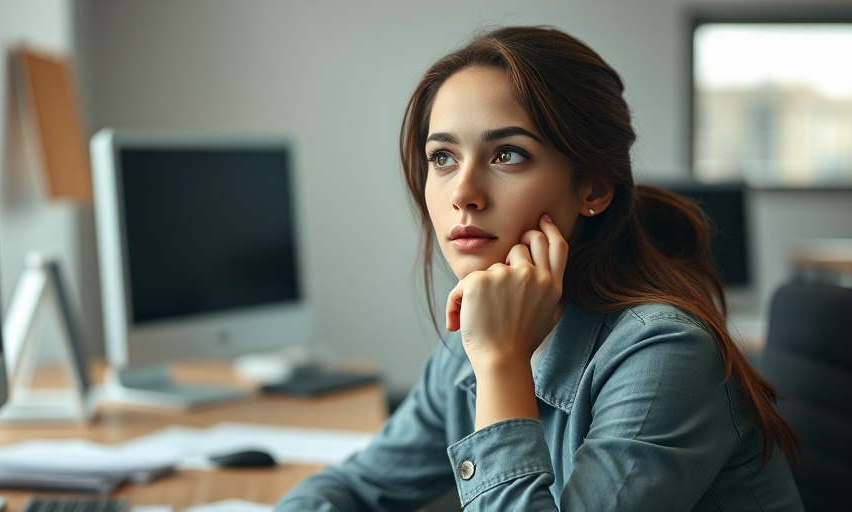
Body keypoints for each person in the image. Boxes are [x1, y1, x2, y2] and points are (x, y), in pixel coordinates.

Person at [276, 25, 803, 511]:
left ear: (592, 188)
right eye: (443, 158)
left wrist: (502, 362)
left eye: (507, 155)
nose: (463, 193)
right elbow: (352, 487)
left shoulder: (666, 353)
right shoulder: (467, 351)